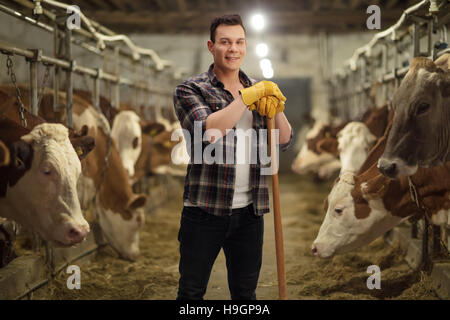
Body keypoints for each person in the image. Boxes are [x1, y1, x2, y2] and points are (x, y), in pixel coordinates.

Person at [173, 14, 293, 300]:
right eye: (225, 42)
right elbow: (206, 133)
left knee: (245, 293)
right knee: (191, 292)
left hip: (250, 210)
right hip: (204, 209)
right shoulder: (191, 89)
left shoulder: (258, 88)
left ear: (246, 46)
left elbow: (285, 140)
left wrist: (277, 104)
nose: (233, 49)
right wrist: (244, 98)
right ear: (211, 46)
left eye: (239, 42)